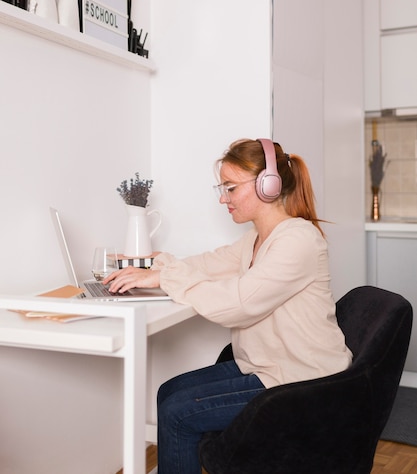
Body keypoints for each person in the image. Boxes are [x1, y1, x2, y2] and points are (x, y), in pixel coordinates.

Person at [104, 137, 352, 474]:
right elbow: (208, 264)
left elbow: (238, 304)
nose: (223, 198)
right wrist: (150, 265)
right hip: (268, 367)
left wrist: (163, 279)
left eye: (231, 188)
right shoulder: (256, 237)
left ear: (269, 185)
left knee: (179, 412)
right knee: (170, 392)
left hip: (302, 380)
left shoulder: (298, 240)